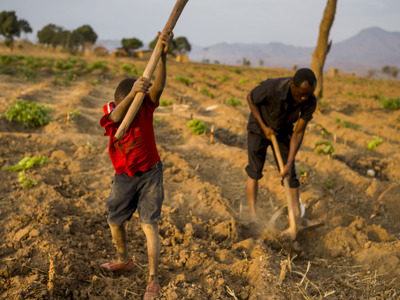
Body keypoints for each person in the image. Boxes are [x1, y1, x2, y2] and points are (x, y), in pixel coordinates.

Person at [99, 30, 173, 299]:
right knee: (115, 221)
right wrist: (131, 95)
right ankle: (123, 259)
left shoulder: (146, 107)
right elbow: (117, 116)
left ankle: (153, 280)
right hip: (123, 177)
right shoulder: (112, 111)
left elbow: (159, 86)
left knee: (148, 224)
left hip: (151, 174)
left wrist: (162, 55)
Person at [245, 68, 317, 227]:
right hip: (259, 128)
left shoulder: (310, 101)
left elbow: (298, 133)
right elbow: (250, 97)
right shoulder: (273, 87)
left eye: (308, 94)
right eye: (300, 94)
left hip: (283, 130)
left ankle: (296, 218)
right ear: (292, 86)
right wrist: (264, 127)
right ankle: (253, 217)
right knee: (254, 171)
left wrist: (289, 162)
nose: (303, 98)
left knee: (289, 174)